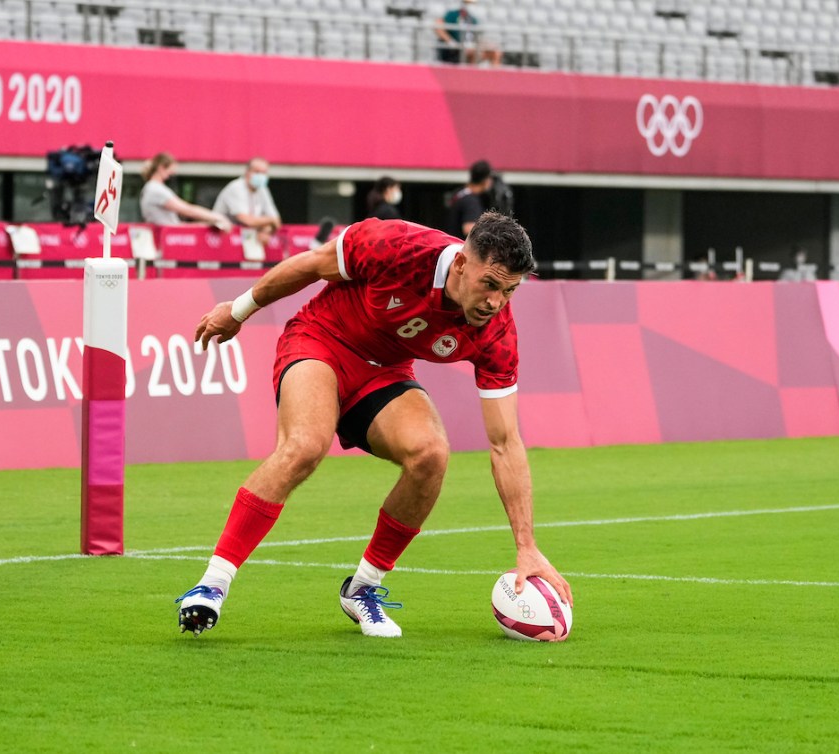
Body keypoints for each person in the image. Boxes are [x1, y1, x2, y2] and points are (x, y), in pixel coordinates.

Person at [177, 211, 572, 639]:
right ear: (461, 263)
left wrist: (526, 546)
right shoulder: (398, 247)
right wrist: (238, 310)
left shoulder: (497, 333)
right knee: (305, 446)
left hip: (383, 373)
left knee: (431, 455)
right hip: (320, 341)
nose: (495, 301)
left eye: (509, 291)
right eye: (489, 285)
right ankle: (211, 585)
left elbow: (505, 443)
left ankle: (364, 589)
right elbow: (312, 264)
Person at [139, 152, 231, 231]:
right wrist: (217, 217)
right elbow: (187, 209)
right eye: (170, 171)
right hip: (165, 239)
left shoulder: (152, 188)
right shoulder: (156, 189)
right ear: (161, 168)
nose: (172, 174)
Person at [212, 157, 282, 247]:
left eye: (264, 173)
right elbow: (247, 221)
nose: (260, 176)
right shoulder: (236, 187)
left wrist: (266, 230)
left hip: (246, 240)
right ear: (247, 172)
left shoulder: (263, 190)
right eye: (257, 172)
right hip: (221, 240)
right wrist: (270, 220)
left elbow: (277, 221)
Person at [435, 0, 502, 67]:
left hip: (471, 46)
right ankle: (470, 74)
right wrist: (450, 41)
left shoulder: (473, 19)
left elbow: (477, 37)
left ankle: (496, 75)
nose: (471, 5)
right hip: (456, 49)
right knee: (472, 52)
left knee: (495, 51)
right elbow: (438, 25)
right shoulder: (453, 15)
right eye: (468, 3)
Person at [446, 159, 494, 238]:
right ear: (485, 180)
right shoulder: (471, 201)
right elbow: (469, 229)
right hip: (461, 246)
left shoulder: (459, 193)